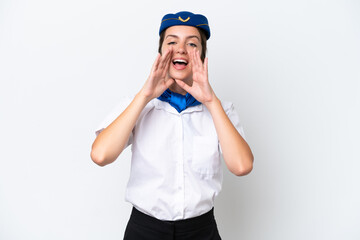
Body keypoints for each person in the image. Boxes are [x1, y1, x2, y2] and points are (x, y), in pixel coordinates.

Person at [91, 11, 254, 240]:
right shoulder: (138, 105)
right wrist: (145, 96)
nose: (181, 49)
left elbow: (242, 166)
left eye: (192, 43)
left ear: (202, 55)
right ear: (161, 53)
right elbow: (100, 155)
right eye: (172, 42)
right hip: (144, 230)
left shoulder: (221, 110)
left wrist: (210, 100)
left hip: (201, 231)